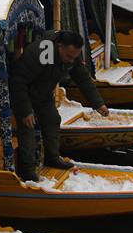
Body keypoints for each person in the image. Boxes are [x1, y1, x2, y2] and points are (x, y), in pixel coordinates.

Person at [7, 30, 109, 181]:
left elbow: (82, 77)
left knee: (53, 119)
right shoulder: (42, 51)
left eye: (74, 57)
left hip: (44, 93)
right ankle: (27, 170)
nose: (70, 60)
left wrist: (98, 104)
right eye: (68, 56)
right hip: (24, 93)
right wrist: (26, 110)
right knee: (27, 126)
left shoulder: (72, 53)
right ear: (59, 46)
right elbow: (18, 81)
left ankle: (52, 158)